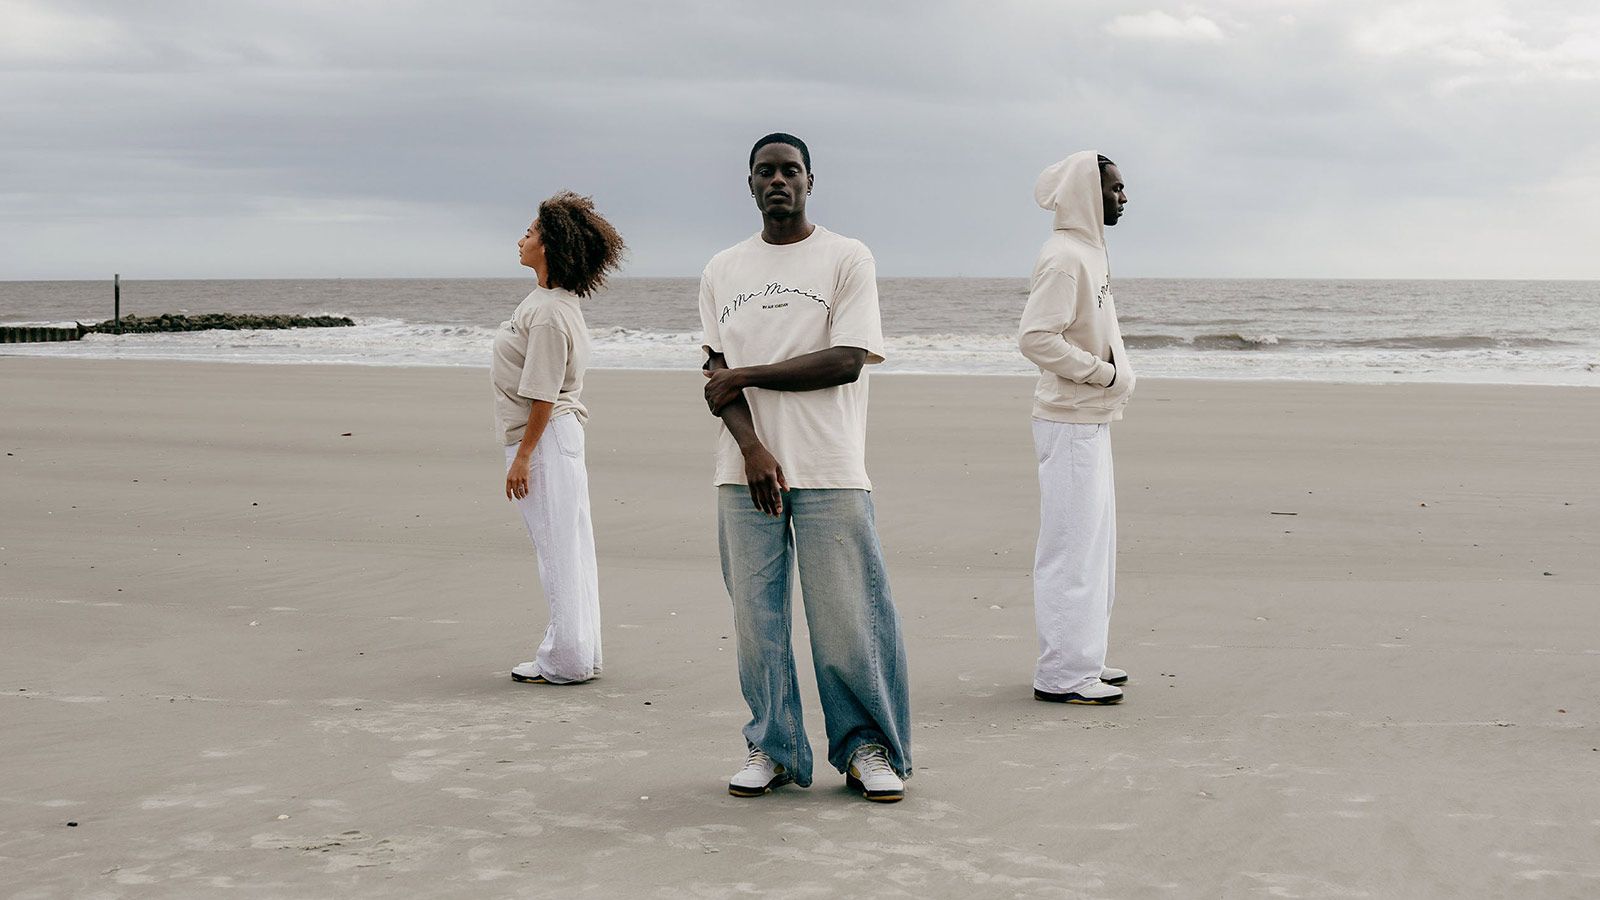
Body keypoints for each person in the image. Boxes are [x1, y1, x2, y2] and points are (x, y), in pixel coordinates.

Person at [698, 133, 912, 802]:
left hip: (831, 466)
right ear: (750, 183)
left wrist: (749, 375)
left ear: (810, 180)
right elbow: (715, 380)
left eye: (790, 170)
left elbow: (846, 358)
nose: (778, 180)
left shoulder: (847, 258)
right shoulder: (721, 269)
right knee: (758, 626)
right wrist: (753, 448)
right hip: (744, 473)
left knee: (848, 621)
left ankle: (866, 748)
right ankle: (773, 749)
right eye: (766, 171)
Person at [491, 191, 624, 685]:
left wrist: (522, 457)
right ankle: (579, 654)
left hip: (544, 438)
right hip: (553, 437)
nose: (522, 239)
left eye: (530, 232)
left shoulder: (547, 312)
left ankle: (564, 661)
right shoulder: (552, 303)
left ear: (549, 246)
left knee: (558, 550)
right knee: (569, 545)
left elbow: (543, 393)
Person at [1018, 151, 1134, 705]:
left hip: (1091, 418)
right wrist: (1101, 374)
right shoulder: (1065, 257)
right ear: (1089, 193)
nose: (1123, 198)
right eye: (1114, 189)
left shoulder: (1088, 252)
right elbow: (1037, 337)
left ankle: (1084, 654)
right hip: (1068, 421)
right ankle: (1062, 672)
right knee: (1071, 546)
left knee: (1096, 546)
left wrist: (1108, 385)